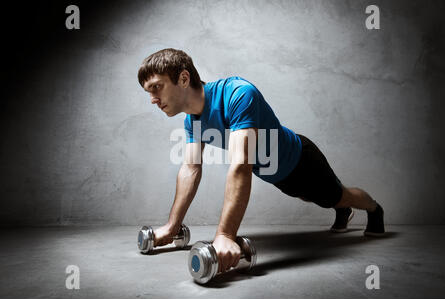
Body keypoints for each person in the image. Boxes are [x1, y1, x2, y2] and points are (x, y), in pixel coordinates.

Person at [137, 48, 385, 274]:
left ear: (183, 78)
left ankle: (373, 209)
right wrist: (172, 226)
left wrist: (225, 235)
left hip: (303, 162)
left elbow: (240, 165)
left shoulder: (238, 93)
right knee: (307, 197)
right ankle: (341, 210)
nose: (152, 99)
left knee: (337, 196)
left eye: (156, 87)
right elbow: (190, 169)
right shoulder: (192, 123)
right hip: (276, 174)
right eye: (148, 92)